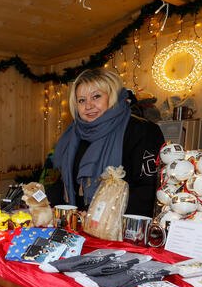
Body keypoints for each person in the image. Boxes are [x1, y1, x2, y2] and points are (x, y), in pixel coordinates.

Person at [50, 68, 164, 217]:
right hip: (79, 227)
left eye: (96, 96)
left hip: (121, 229)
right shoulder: (74, 135)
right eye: (82, 100)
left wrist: (101, 218)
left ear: (112, 97)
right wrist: (46, 204)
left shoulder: (142, 130)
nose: (88, 105)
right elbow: (65, 181)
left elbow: (147, 190)